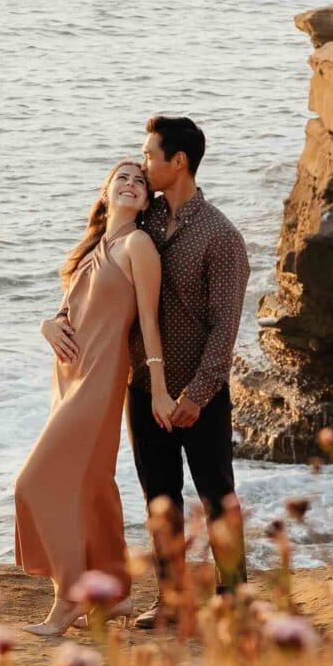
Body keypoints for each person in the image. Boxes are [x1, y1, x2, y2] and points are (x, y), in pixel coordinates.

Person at [14, 160, 174, 636]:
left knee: (35, 482)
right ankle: (109, 596)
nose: (131, 184)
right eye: (121, 178)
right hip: (67, 376)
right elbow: (67, 312)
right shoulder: (91, 248)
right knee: (89, 485)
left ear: (145, 201)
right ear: (105, 193)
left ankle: (69, 600)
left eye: (139, 181)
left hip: (101, 379)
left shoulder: (138, 246)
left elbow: (149, 323)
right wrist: (45, 325)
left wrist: (160, 390)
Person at [123, 116, 248, 591]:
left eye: (150, 155)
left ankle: (234, 594)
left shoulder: (222, 237)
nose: (143, 162)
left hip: (202, 395)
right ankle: (171, 599)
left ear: (178, 162)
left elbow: (225, 329)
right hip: (144, 390)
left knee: (217, 495)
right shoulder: (144, 221)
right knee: (159, 497)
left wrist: (197, 394)